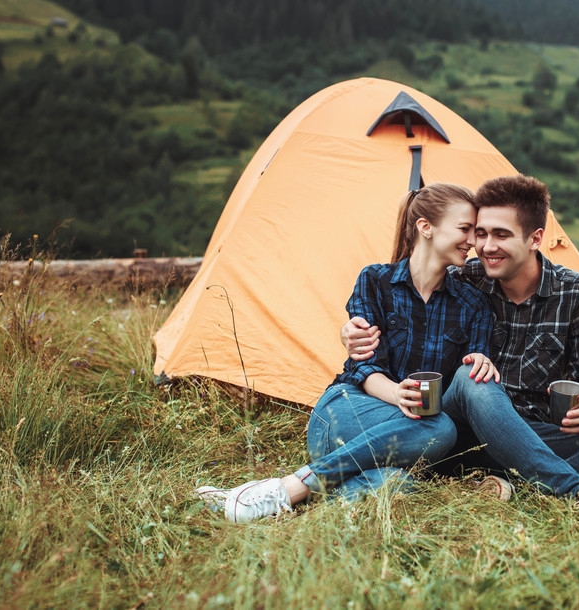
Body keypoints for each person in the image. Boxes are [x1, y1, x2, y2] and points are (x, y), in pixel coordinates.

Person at [343, 175, 579, 523]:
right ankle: (574, 492)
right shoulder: (463, 277)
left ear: (535, 238)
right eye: (480, 233)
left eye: (501, 235)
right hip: (465, 434)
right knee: (472, 377)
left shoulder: (576, 294)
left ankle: (514, 482)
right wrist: (350, 332)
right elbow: (406, 297)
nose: (485, 246)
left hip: (537, 433)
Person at [195, 183, 499, 522]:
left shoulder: (473, 304)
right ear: (425, 227)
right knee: (440, 428)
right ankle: (291, 487)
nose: (473, 241)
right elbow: (365, 366)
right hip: (347, 413)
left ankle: (262, 499)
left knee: (397, 482)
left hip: (407, 437)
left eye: (474, 232)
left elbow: (470, 373)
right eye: (465, 229)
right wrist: (397, 394)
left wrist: (481, 362)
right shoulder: (375, 280)